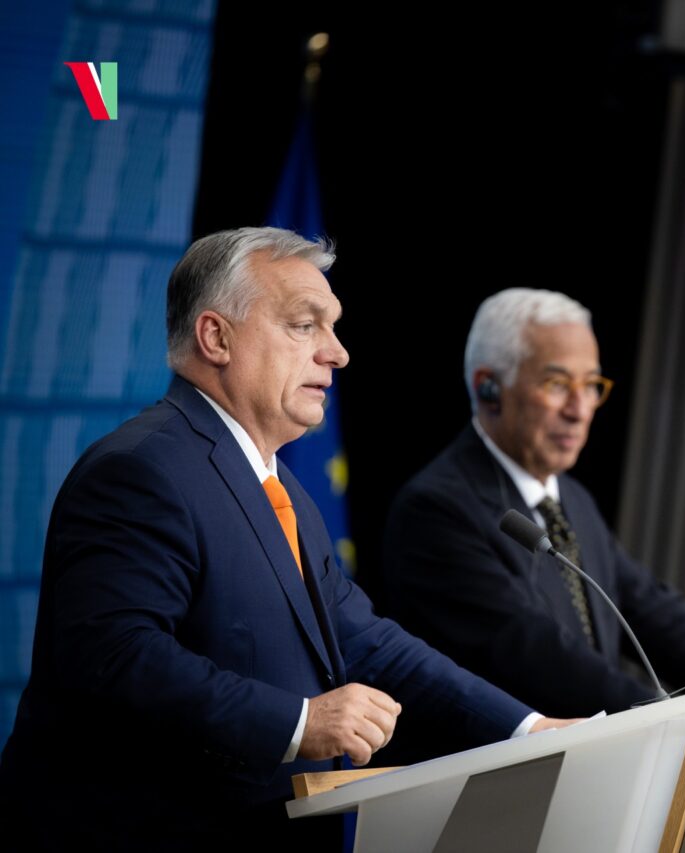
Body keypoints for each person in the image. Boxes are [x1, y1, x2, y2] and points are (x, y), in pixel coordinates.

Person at [0, 229, 571, 848]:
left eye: (334, 327)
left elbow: (369, 642)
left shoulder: (283, 488)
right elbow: (114, 656)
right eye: (305, 325)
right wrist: (300, 722)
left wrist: (527, 729)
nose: (338, 353)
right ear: (216, 337)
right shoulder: (141, 470)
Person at [381, 288, 685, 744]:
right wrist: (677, 721)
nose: (579, 409)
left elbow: (658, 616)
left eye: (591, 386)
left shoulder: (573, 500)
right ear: (489, 388)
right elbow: (536, 653)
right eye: (556, 384)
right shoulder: (437, 509)